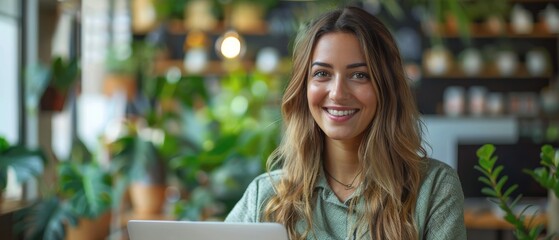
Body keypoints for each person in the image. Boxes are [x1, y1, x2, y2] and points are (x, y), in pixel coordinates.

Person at [225, 6, 466, 240]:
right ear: (303, 88)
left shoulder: (434, 189)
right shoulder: (266, 195)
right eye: (322, 74)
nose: (338, 93)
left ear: (386, 88)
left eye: (359, 75)